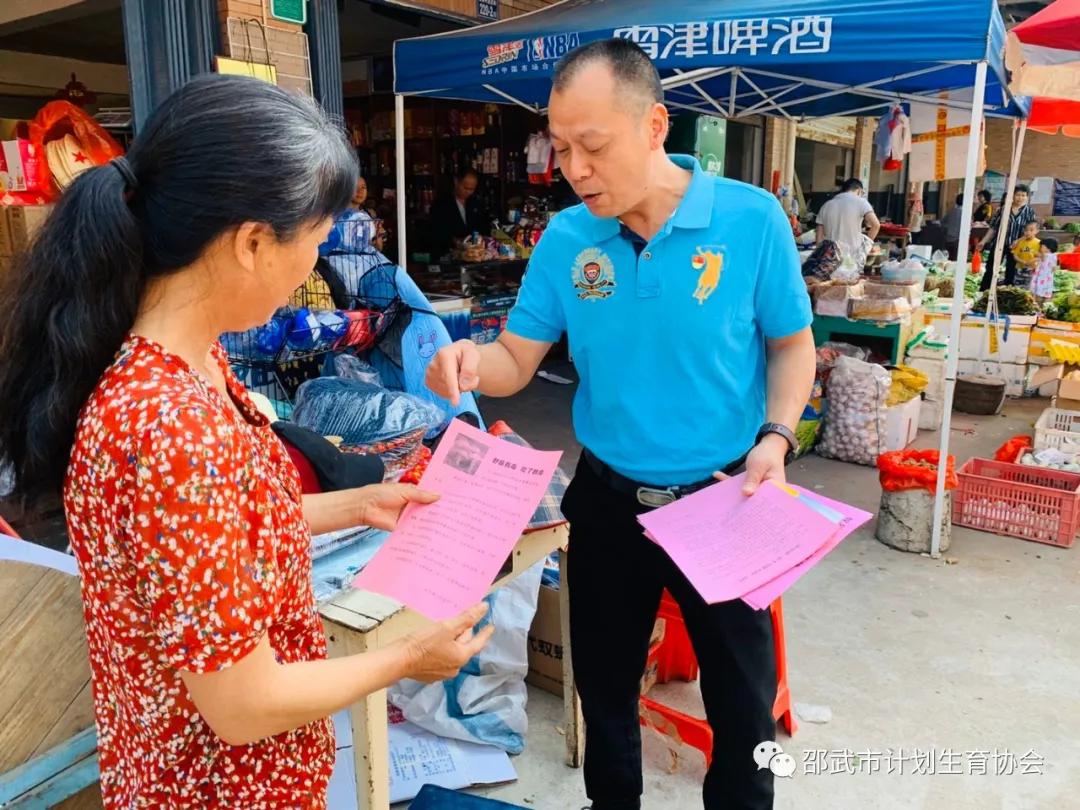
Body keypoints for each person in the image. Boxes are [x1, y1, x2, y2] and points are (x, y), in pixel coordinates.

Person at [0, 75, 494, 808]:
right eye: (317, 242)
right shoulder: (167, 425)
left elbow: (218, 543)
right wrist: (406, 659)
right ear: (254, 243)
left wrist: (359, 504)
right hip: (215, 789)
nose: (313, 269)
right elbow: (244, 704)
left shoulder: (193, 360)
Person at [426, 39, 815, 810]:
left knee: (744, 717)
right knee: (604, 703)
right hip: (607, 506)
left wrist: (776, 437)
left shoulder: (750, 220)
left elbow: (792, 345)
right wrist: (471, 360)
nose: (574, 168)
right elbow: (515, 359)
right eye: (562, 147)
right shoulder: (568, 241)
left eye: (592, 146)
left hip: (725, 499)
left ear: (654, 126)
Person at [977, 184, 1036, 290]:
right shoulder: (1002, 209)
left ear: (1027, 197)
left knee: (1011, 271)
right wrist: (983, 241)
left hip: (1018, 247)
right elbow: (993, 227)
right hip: (1000, 243)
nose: (1020, 198)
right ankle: (984, 291)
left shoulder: (1029, 212)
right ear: (1012, 195)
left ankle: (1008, 293)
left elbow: (1031, 232)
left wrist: (1019, 240)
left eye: (1023, 195)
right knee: (991, 268)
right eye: (1018, 195)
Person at [429, 167, 490, 259]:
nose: (468, 192)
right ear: (456, 181)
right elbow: (436, 232)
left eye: (472, 189)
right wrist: (455, 241)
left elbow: (483, 226)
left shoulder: (476, 203)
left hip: (473, 255)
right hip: (449, 255)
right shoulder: (442, 204)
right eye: (465, 188)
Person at [815, 178, 881, 249]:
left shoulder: (826, 206)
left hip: (831, 254)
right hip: (853, 255)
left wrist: (820, 253)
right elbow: (876, 225)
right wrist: (865, 247)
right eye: (862, 193)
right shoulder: (862, 202)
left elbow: (819, 236)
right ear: (859, 191)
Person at [1011, 219, 1043, 289]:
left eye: (1031, 230)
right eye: (1026, 230)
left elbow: (1041, 257)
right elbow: (1015, 255)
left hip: (1032, 269)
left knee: (1029, 288)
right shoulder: (1020, 242)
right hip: (1019, 269)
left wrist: (1032, 261)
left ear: (1037, 231)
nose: (1028, 232)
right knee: (1017, 288)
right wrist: (1023, 262)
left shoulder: (1039, 243)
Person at [1032, 237, 1058, 303]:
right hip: (1048, 278)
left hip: (1042, 277)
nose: (1040, 248)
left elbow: (1041, 257)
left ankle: (1038, 304)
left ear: (1048, 248)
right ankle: (1043, 306)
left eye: (1042, 246)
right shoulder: (1054, 256)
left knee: (1038, 293)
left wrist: (1033, 252)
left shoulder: (1045, 255)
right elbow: (1054, 267)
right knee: (1045, 293)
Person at [941, 193, 966, 260]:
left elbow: (942, 222)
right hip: (958, 239)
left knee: (947, 259)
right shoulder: (965, 213)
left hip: (947, 238)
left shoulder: (951, 211)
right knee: (956, 259)